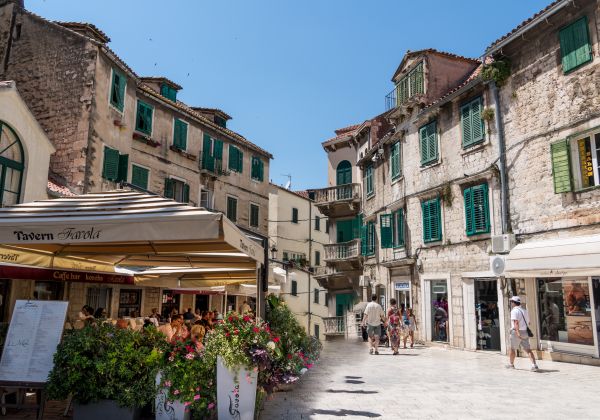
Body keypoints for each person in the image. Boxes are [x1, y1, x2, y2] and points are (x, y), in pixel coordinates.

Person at [506, 296, 539, 371]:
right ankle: (534, 365)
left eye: (511, 302)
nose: (511, 303)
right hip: (525, 331)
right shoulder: (525, 310)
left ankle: (511, 364)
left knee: (512, 349)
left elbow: (516, 322)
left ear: (514, 303)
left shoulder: (514, 311)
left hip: (517, 332)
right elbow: (528, 322)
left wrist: (517, 333)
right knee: (528, 349)